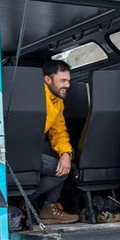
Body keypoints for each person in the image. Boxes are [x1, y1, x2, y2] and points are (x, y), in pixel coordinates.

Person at [27, 59, 79, 224]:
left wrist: (66, 154)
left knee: (63, 166)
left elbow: (59, 132)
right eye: (63, 80)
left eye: (68, 80)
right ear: (47, 79)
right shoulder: (33, 95)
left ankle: (47, 207)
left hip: (32, 151)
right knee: (60, 169)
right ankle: (22, 201)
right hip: (12, 151)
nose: (68, 85)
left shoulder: (58, 102)